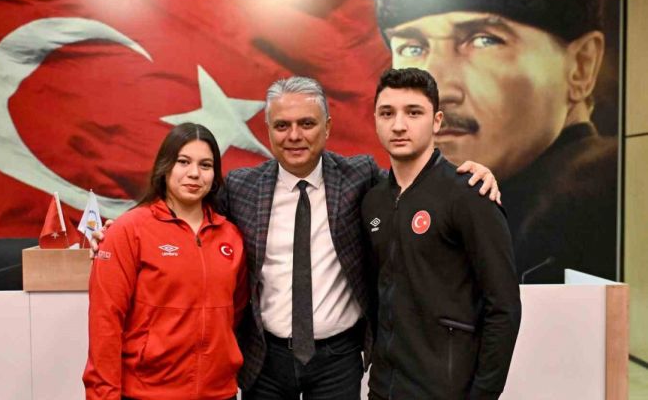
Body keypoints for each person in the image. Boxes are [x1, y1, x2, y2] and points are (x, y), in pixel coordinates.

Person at [92, 77, 500, 399]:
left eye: (307, 123)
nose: (294, 135)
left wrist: (467, 174)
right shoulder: (241, 187)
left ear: (327, 127)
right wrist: (119, 231)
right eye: (282, 125)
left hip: (339, 357)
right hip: (265, 358)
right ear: (268, 130)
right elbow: (187, 212)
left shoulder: (358, 176)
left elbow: (411, 182)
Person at [372, 0, 618, 283]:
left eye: (483, 40)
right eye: (412, 48)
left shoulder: (604, 194)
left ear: (581, 66)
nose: (437, 90)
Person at [362, 68, 521, 399]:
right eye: (387, 113)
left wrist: (483, 394)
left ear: (436, 121)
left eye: (413, 113)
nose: (399, 125)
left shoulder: (469, 194)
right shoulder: (373, 200)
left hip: (446, 390)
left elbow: (503, 307)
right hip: (383, 387)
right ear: (375, 119)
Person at [83, 123, 248, 400]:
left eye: (205, 165)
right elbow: (105, 323)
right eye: (183, 161)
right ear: (165, 166)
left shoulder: (231, 236)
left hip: (219, 392)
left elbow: (236, 311)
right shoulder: (128, 230)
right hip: (148, 392)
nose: (194, 173)